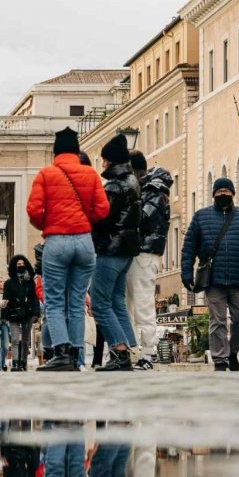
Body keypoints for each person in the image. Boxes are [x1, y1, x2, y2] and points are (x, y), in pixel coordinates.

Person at [27, 127, 109, 372]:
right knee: (76, 302)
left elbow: (33, 210)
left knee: (53, 301)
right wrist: (84, 221)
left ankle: (61, 352)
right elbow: (103, 209)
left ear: (55, 151)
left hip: (57, 240)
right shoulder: (91, 174)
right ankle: (75, 353)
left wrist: (48, 224)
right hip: (85, 241)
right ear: (76, 149)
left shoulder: (46, 174)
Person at [181, 177, 239, 372]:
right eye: (219, 191)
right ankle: (220, 360)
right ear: (213, 194)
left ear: (233, 193)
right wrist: (186, 273)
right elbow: (188, 249)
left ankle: (233, 352)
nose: (223, 194)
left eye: (227, 191)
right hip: (214, 280)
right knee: (217, 321)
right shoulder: (201, 217)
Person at [88, 134, 142, 371]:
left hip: (111, 247)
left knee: (100, 303)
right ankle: (131, 349)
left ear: (109, 161)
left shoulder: (114, 186)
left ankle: (119, 353)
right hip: (127, 249)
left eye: (103, 160)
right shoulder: (132, 181)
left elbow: (102, 217)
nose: (102, 164)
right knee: (117, 303)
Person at [128, 153, 172, 370]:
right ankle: (132, 349)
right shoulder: (147, 190)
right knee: (131, 303)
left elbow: (143, 219)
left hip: (145, 252)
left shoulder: (154, 191)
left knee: (143, 304)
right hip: (137, 251)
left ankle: (147, 353)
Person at [1, 254, 39, 371]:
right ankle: (15, 363)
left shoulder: (30, 282)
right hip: (13, 313)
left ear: (26, 265)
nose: (21, 266)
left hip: (27, 314)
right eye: (18, 264)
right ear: (14, 266)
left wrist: (36, 313)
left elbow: (34, 298)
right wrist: (4, 315)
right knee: (15, 340)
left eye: (22, 264)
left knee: (26, 340)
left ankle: (23, 362)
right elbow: (5, 299)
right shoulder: (9, 283)